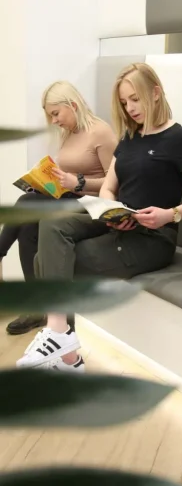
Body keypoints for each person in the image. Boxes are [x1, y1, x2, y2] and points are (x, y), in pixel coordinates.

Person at [16, 62, 182, 374]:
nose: (130, 108)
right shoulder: (130, 138)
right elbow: (109, 187)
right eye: (125, 102)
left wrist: (171, 214)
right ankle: (61, 338)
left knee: (43, 262)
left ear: (155, 93)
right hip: (117, 223)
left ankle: (65, 350)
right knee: (53, 223)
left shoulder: (179, 138)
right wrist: (111, 210)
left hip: (152, 238)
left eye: (135, 99)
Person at [0, 81, 117, 336]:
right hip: (69, 198)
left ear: (72, 105)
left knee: (28, 206)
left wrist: (79, 182)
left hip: (91, 206)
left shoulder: (101, 132)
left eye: (55, 114)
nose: (54, 121)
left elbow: (115, 183)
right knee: (28, 218)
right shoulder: (69, 133)